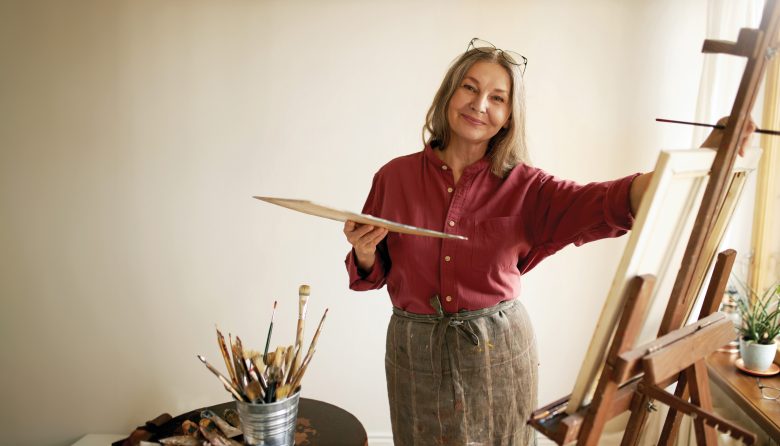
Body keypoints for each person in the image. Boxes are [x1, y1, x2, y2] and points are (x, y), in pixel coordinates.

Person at [342, 38, 754, 445]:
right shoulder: (393, 178)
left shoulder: (528, 188)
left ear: (508, 117)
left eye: (497, 97)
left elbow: (610, 200)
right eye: (469, 87)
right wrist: (363, 252)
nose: (479, 104)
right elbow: (374, 271)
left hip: (496, 353)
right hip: (414, 352)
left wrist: (707, 154)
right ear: (449, 93)